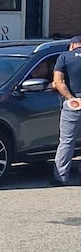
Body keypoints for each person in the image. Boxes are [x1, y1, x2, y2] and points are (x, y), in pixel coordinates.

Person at [50, 35, 81, 186]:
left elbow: (58, 82)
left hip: (73, 103)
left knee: (67, 142)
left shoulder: (64, 57)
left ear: (72, 45)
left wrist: (70, 98)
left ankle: (61, 177)